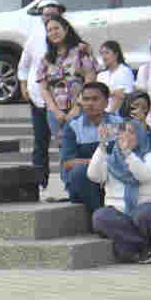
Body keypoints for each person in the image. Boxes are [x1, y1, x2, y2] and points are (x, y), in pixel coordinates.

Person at [34, 13, 97, 196]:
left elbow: (90, 80)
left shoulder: (80, 51)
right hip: (55, 112)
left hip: (81, 109)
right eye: (50, 30)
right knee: (64, 149)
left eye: (57, 28)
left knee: (82, 146)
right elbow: (44, 88)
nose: (54, 32)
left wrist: (78, 107)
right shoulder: (47, 58)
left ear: (66, 29)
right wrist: (55, 111)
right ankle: (68, 188)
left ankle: (84, 187)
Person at [87, 116, 151, 264]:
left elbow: (144, 176)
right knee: (100, 217)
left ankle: (136, 250)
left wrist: (128, 153)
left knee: (146, 214)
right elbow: (93, 175)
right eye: (122, 131)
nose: (126, 135)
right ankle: (145, 249)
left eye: (132, 132)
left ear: (140, 136)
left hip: (144, 210)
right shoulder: (110, 159)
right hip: (120, 214)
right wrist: (102, 145)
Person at [16, 0, 68, 188]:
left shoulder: (68, 40)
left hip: (63, 102)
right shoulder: (34, 37)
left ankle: (68, 183)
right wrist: (23, 87)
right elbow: (23, 66)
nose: (48, 18)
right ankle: (40, 182)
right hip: (38, 98)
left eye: (53, 14)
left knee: (65, 143)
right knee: (40, 142)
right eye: (45, 15)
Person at [59, 81, 114, 215]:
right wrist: (96, 163)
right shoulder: (73, 126)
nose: (90, 103)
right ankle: (99, 215)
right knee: (79, 171)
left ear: (106, 102)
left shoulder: (118, 123)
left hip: (112, 174)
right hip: (85, 178)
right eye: (86, 99)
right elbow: (68, 163)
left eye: (95, 99)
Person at [96, 40, 134, 116]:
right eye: (102, 54)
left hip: (118, 116)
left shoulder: (124, 71)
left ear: (116, 54)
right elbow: (97, 95)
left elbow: (121, 96)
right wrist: (112, 93)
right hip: (101, 114)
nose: (104, 57)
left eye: (107, 53)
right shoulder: (101, 75)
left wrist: (110, 114)